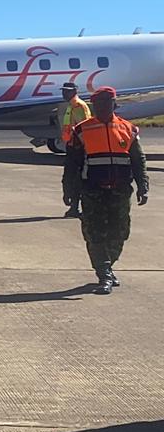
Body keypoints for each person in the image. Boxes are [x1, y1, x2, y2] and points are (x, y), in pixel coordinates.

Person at [62, 87, 148, 294]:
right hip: (93, 190)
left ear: (114, 104)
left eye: (107, 102)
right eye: (99, 103)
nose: (102, 107)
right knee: (95, 232)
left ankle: (108, 265)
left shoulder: (128, 129)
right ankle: (104, 274)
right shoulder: (82, 130)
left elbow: (138, 160)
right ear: (94, 106)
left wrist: (143, 185)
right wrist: (69, 189)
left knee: (120, 232)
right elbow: (72, 163)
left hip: (120, 190)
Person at [59, 81, 92, 218]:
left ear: (74, 92)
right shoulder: (71, 105)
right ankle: (73, 205)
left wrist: (82, 146)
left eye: (67, 91)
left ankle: (76, 206)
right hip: (72, 146)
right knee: (71, 177)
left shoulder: (78, 106)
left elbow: (82, 128)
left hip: (78, 147)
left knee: (77, 177)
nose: (64, 93)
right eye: (63, 91)